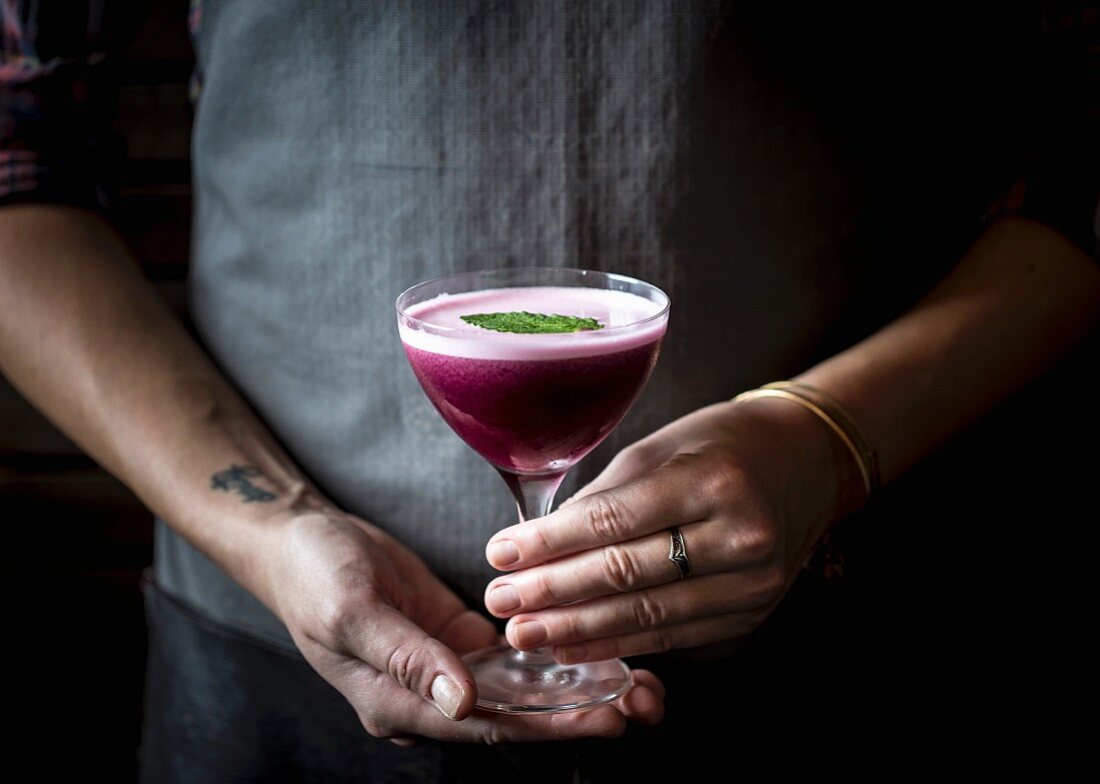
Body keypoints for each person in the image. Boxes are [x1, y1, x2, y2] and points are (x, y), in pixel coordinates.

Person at [2, 1, 1097, 780]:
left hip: (837, 657)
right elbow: (17, 149)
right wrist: (272, 528)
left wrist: (826, 435)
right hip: (274, 654)